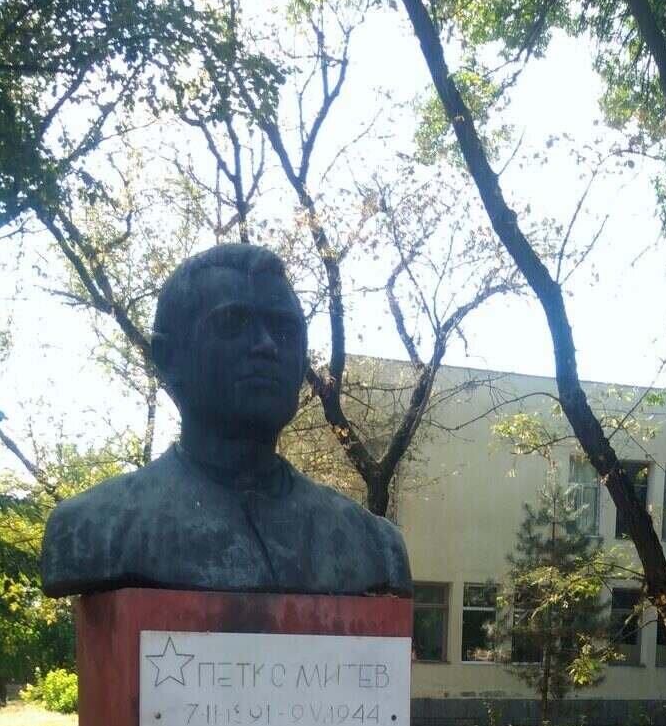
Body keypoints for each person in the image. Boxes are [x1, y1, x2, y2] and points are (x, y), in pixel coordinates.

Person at [41, 243, 411, 597]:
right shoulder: (94, 528)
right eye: (233, 324)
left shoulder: (375, 546)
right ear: (168, 358)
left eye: (285, 330)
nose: (267, 344)